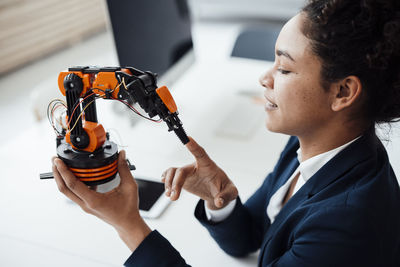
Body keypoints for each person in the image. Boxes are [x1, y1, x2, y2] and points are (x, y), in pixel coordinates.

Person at [52, 0, 400, 266]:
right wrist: (220, 200)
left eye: (284, 67)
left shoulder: (346, 225)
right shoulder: (315, 146)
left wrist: (128, 225)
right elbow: (252, 236)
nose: (265, 78)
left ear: (342, 93)